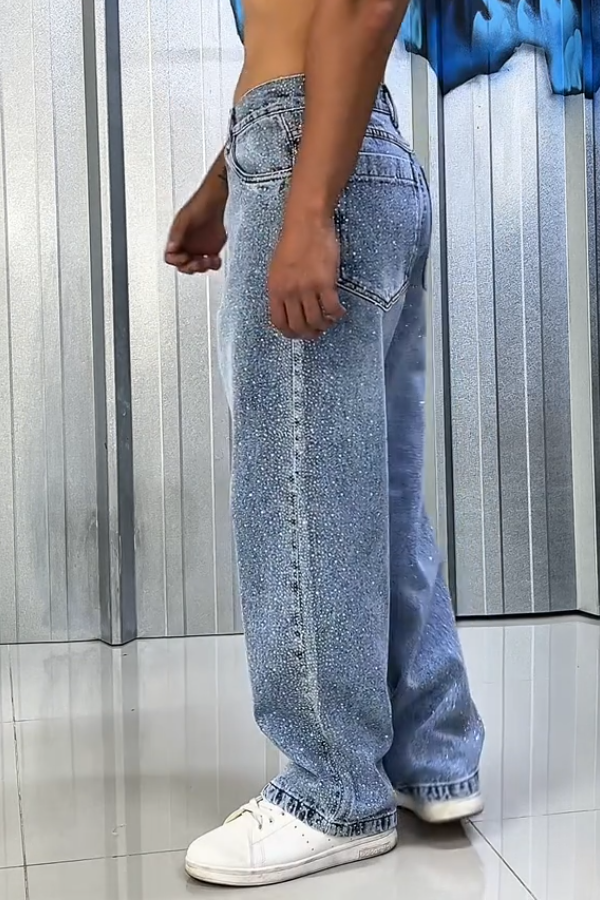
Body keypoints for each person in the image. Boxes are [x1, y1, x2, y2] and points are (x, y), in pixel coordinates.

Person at [165, 0, 484, 887]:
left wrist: (303, 210)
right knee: (371, 491)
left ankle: (336, 791)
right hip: (349, 145)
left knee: (299, 493)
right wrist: (223, 182)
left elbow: (361, 5)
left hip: (314, 157)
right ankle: (433, 755)